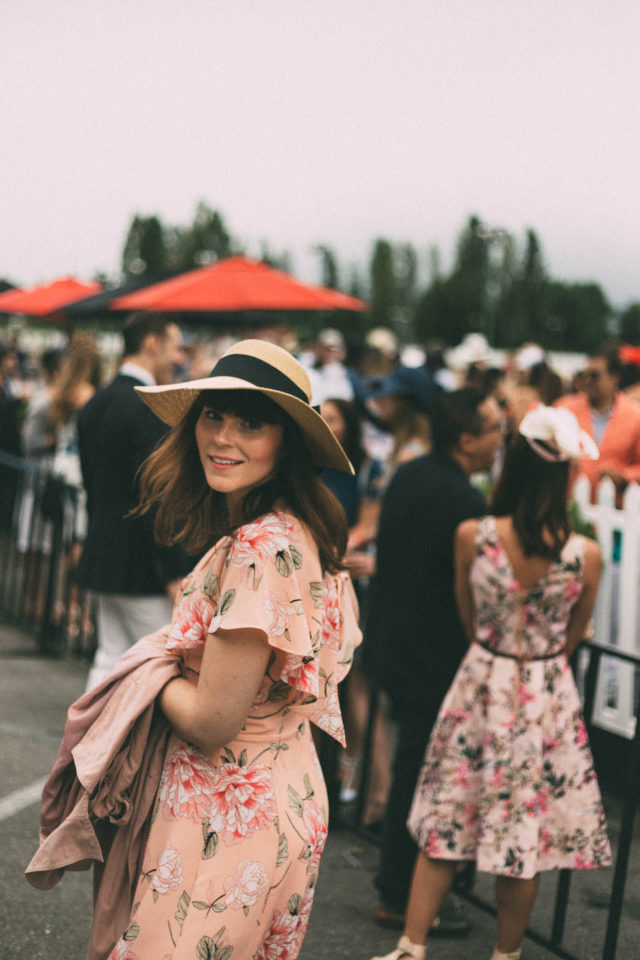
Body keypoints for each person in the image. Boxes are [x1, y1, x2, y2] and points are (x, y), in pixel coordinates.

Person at [103, 338, 361, 959]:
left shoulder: (258, 547)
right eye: (213, 414)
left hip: (226, 814)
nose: (223, 437)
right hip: (282, 799)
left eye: (252, 421)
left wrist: (147, 670)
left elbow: (213, 722)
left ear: (289, 441)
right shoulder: (299, 531)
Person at [373, 405, 611, 960]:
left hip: (482, 680)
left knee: (447, 815)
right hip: (544, 694)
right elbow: (573, 637)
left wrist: (500, 645)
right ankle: (507, 954)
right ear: (565, 475)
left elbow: (468, 614)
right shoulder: (586, 557)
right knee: (521, 834)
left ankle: (412, 943)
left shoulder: (473, 537)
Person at [366, 388, 504, 936]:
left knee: (412, 768)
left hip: (393, 640)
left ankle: (404, 888)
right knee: (423, 775)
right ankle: (401, 897)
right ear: (468, 440)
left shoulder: (411, 472)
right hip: (434, 654)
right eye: (495, 431)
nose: (501, 442)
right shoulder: (466, 505)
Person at [77, 312, 189, 690]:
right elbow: (159, 496)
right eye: (175, 347)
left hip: (103, 552)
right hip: (144, 564)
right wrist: (175, 570)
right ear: (152, 343)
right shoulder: (148, 407)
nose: (179, 358)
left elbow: (92, 485)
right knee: (165, 664)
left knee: (110, 656)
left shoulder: (96, 403)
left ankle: (87, 744)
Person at [557, 346, 640, 503]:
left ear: (614, 377)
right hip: (568, 504)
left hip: (614, 511)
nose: (587, 381)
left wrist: (623, 476)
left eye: (594, 376)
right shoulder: (564, 408)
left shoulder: (635, 417)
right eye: (584, 375)